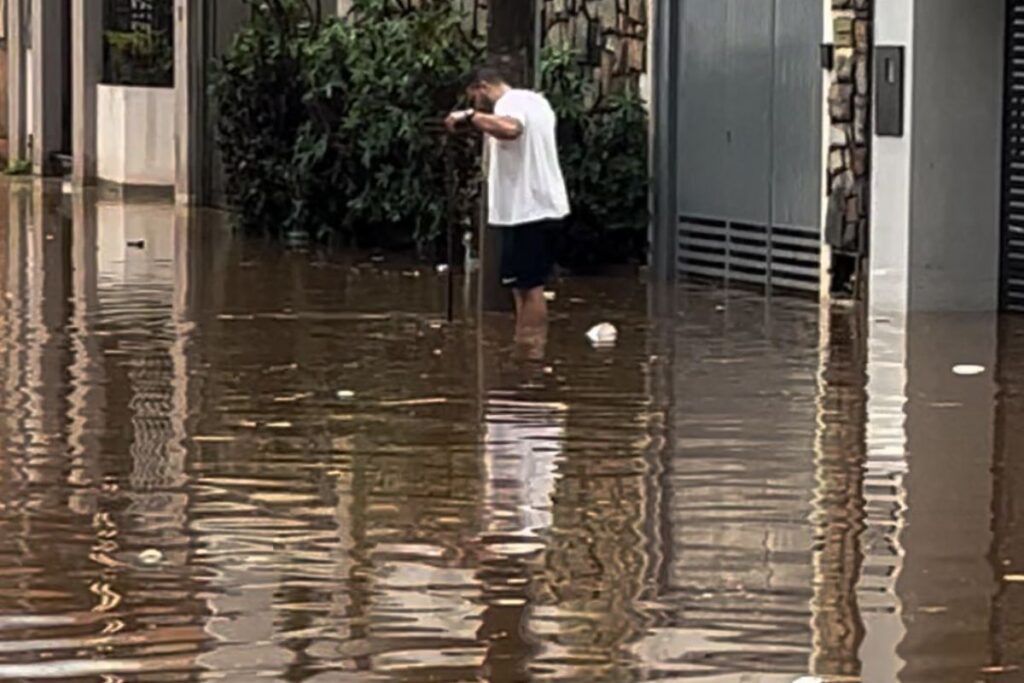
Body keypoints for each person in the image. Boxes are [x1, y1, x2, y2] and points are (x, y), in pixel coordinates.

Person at [446, 66, 570, 340]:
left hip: (529, 209)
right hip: (536, 207)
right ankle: (525, 347)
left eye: (474, 98)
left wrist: (471, 117)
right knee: (522, 285)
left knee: (529, 286)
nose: (476, 105)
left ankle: (530, 355)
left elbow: (512, 129)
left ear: (482, 88)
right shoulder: (538, 102)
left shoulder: (510, 102)